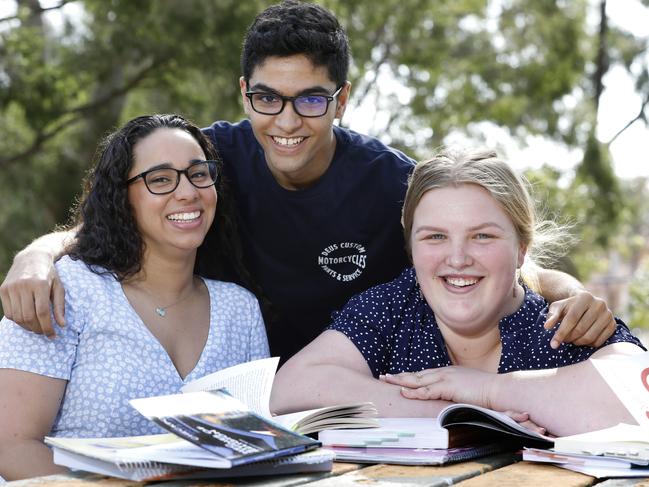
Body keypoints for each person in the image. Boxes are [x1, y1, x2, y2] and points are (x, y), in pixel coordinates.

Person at [0, 1, 615, 363]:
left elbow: (476, 250)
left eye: (310, 101)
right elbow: (110, 215)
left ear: (342, 100)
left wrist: (568, 289)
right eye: (267, 98)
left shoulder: (390, 181)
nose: (286, 122)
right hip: (240, 391)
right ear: (244, 93)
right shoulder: (211, 160)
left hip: (356, 395)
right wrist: (35, 255)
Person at [271, 148, 645, 437]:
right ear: (411, 249)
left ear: (521, 248)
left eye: (482, 236)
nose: (458, 258)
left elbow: (637, 396)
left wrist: (489, 391)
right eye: (435, 236)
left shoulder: (563, 322)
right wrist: (455, 413)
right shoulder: (394, 308)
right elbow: (290, 388)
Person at [0, 114, 269, 480]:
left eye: (199, 174)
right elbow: (12, 446)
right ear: (121, 198)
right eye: (160, 179)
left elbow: (255, 449)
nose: (187, 192)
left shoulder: (240, 309)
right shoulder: (67, 291)